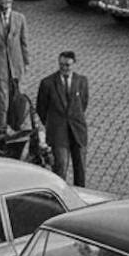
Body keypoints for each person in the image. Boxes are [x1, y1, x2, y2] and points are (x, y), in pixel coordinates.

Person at [36, 51, 89, 187]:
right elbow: (41, 108)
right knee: (60, 167)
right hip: (58, 132)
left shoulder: (81, 81)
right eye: (61, 65)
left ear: (74, 64)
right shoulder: (47, 83)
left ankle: (80, 194)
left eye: (67, 65)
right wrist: (52, 124)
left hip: (77, 131)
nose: (64, 68)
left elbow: (83, 103)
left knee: (80, 169)